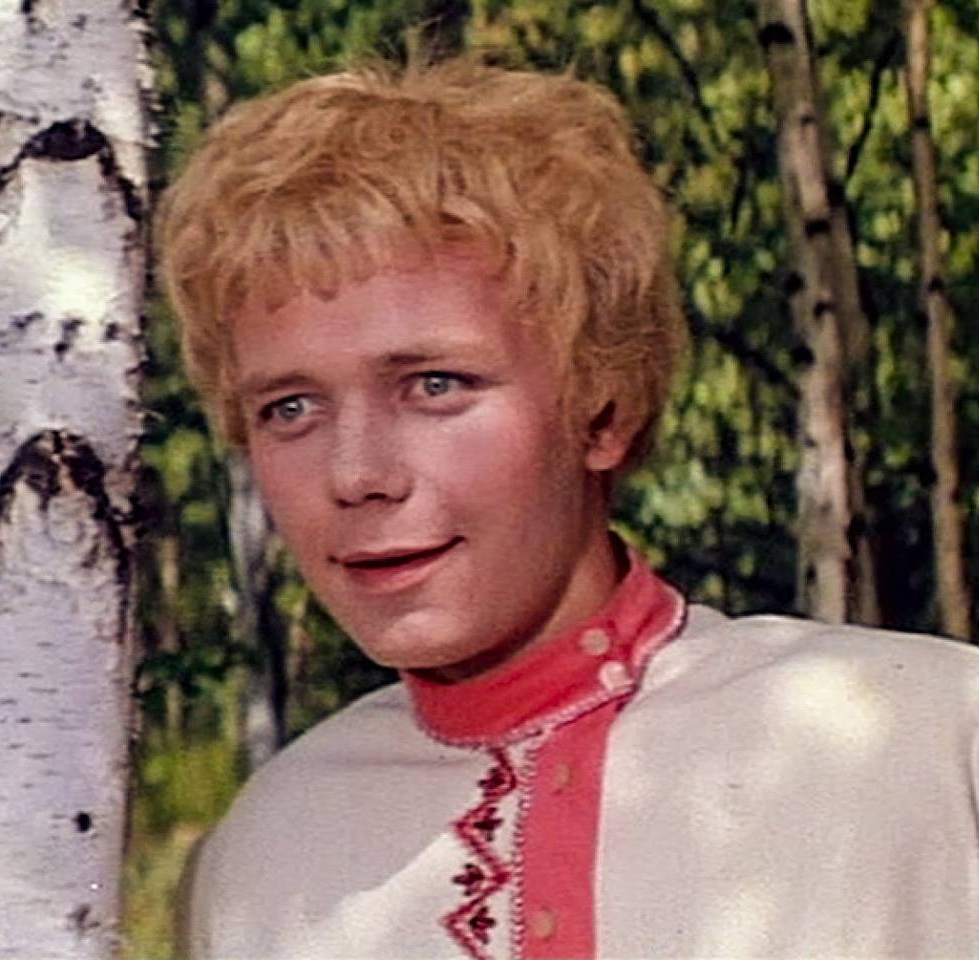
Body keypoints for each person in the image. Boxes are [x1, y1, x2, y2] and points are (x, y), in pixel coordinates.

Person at [157, 57, 979, 960]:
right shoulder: (260, 858)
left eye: (435, 385)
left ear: (603, 409)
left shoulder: (932, 735)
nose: (356, 475)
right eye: (290, 408)